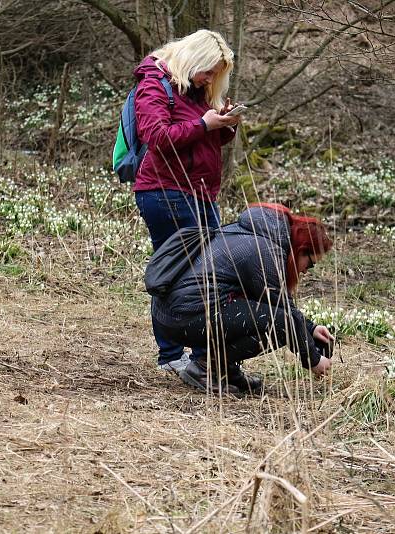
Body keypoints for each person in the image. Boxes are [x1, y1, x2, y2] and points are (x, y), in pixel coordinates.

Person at [132, 30, 241, 374]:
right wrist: (202, 123)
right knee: (175, 273)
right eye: (208, 71)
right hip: (166, 192)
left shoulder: (194, 92)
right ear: (193, 58)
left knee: (203, 274)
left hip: (198, 193)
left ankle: (202, 355)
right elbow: (156, 136)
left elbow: (202, 139)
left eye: (215, 75)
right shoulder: (154, 84)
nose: (210, 79)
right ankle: (173, 355)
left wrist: (222, 124)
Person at [149, 203, 335, 394]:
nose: (305, 271)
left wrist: (311, 329)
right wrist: (313, 359)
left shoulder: (250, 234)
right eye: (310, 264)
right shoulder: (267, 250)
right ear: (301, 249)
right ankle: (206, 368)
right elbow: (283, 314)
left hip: (171, 313)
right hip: (184, 316)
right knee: (278, 324)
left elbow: (276, 301)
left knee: (268, 316)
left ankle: (224, 370)